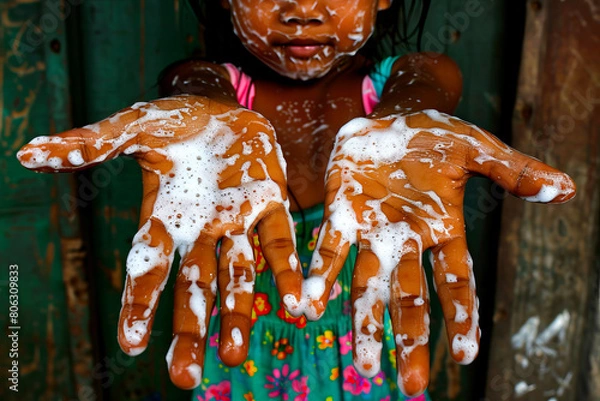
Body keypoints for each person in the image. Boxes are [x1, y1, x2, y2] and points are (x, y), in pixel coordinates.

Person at [16, 0, 576, 400]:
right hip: (247, 351)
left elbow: (428, 76)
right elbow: (193, 86)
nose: (301, 8)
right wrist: (206, 120)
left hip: (363, 351)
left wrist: (407, 121)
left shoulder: (392, 95)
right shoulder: (219, 94)